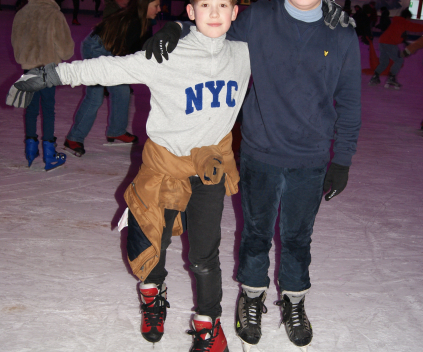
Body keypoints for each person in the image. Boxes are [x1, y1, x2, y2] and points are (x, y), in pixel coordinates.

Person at [8, 0, 251, 350]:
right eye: (205, 5)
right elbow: (108, 69)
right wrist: (51, 74)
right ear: (191, 10)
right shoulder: (167, 56)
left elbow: (286, 36)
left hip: (209, 172)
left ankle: (207, 323)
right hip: (165, 169)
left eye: (223, 4)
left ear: (235, 12)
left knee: (205, 256)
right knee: (155, 242)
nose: (215, 13)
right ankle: (153, 297)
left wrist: (330, 17)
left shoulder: (243, 53)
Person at [142, 0, 360, 351]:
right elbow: (211, 33)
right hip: (261, 152)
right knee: (256, 234)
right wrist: (175, 29)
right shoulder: (258, 19)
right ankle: (252, 296)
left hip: (311, 156)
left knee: (298, 238)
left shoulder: (341, 32)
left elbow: (350, 99)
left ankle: (294, 300)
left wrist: (343, 160)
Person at [63, 0, 160, 157]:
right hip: (96, 48)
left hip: (114, 51)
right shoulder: (132, 21)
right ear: (143, 6)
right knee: (95, 96)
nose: (159, 9)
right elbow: (130, 55)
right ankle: (73, 138)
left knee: (122, 91)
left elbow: (140, 52)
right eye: (155, 6)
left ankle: (117, 131)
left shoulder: (144, 23)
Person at [11, 0, 74, 171]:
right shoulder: (54, 14)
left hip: (29, 70)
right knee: (48, 109)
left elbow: (16, 45)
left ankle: (30, 151)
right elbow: (66, 50)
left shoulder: (22, 13)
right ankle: (49, 154)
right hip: (47, 70)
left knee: (31, 109)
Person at [369, 7, 423, 89]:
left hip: (382, 41)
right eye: (409, 18)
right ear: (407, 17)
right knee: (399, 60)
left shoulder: (397, 21)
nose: (409, 20)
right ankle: (391, 78)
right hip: (389, 43)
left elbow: (399, 34)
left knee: (384, 62)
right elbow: (414, 26)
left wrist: (405, 42)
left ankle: (375, 77)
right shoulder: (403, 22)